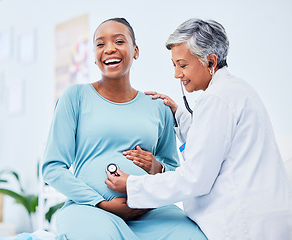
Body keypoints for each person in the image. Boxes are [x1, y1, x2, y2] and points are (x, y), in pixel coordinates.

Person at [105, 18, 292, 240]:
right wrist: (179, 115)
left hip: (244, 225)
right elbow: (215, 145)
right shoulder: (236, 90)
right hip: (264, 220)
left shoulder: (217, 99)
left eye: (182, 65)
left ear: (210, 62)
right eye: (174, 65)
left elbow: (195, 179)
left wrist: (132, 185)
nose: (177, 74)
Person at [42, 18, 207, 240]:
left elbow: (174, 171)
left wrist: (156, 167)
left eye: (119, 41)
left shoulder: (157, 106)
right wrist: (102, 202)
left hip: (152, 211)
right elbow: (53, 167)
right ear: (94, 55)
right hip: (91, 209)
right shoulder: (75, 97)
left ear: (135, 50)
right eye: (100, 44)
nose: (109, 49)